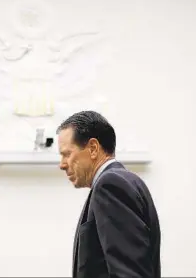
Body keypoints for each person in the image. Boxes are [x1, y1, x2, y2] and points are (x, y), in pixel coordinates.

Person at [57, 110, 161, 278]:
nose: (62, 165)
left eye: (67, 154)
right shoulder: (125, 181)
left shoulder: (111, 185)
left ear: (92, 148)